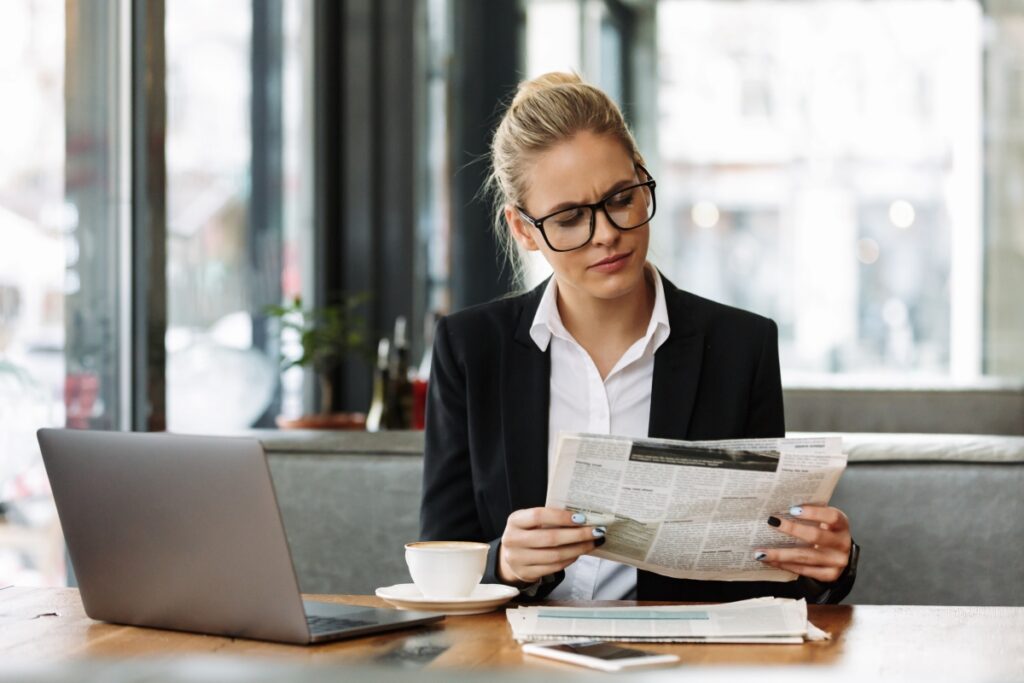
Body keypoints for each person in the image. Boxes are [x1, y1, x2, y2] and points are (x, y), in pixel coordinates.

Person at [420, 72, 857, 602]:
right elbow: (440, 556)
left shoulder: (742, 347)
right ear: (523, 230)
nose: (606, 233)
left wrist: (824, 565)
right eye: (570, 217)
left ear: (642, 178)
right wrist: (504, 562)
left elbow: (764, 565)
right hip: (519, 661)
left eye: (621, 198)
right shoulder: (470, 348)